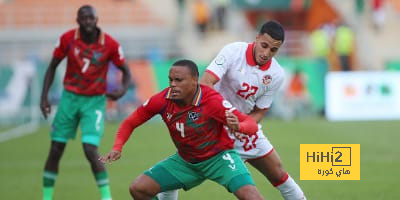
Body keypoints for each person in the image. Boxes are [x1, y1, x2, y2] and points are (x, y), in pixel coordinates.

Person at [158, 21, 306, 200]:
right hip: (211, 127)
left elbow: (259, 112)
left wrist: (242, 127)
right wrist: (224, 116)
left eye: (273, 50)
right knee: (177, 172)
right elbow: (206, 83)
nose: (266, 53)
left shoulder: (276, 75)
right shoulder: (233, 51)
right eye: (264, 46)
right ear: (257, 38)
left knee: (279, 173)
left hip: (240, 129)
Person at [99, 59, 265, 200]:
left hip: (219, 158)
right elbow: (130, 122)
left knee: (251, 196)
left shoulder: (211, 100)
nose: (173, 85)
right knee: (138, 189)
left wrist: (239, 126)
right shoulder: (162, 100)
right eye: (171, 79)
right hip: (185, 162)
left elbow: (250, 124)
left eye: (178, 80)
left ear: (194, 80)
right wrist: (117, 147)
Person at [40, 5, 131, 200]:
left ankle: (107, 197)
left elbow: (127, 71)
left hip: (95, 101)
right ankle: (46, 197)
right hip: (69, 99)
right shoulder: (67, 39)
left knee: (90, 149)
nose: (87, 21)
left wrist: (122, 90)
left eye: (91, 18)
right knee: (56, 148)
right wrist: (44, 97)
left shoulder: (111, 44)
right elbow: (52, 66)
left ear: (97, 20)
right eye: (84, 18)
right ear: (77, 20)